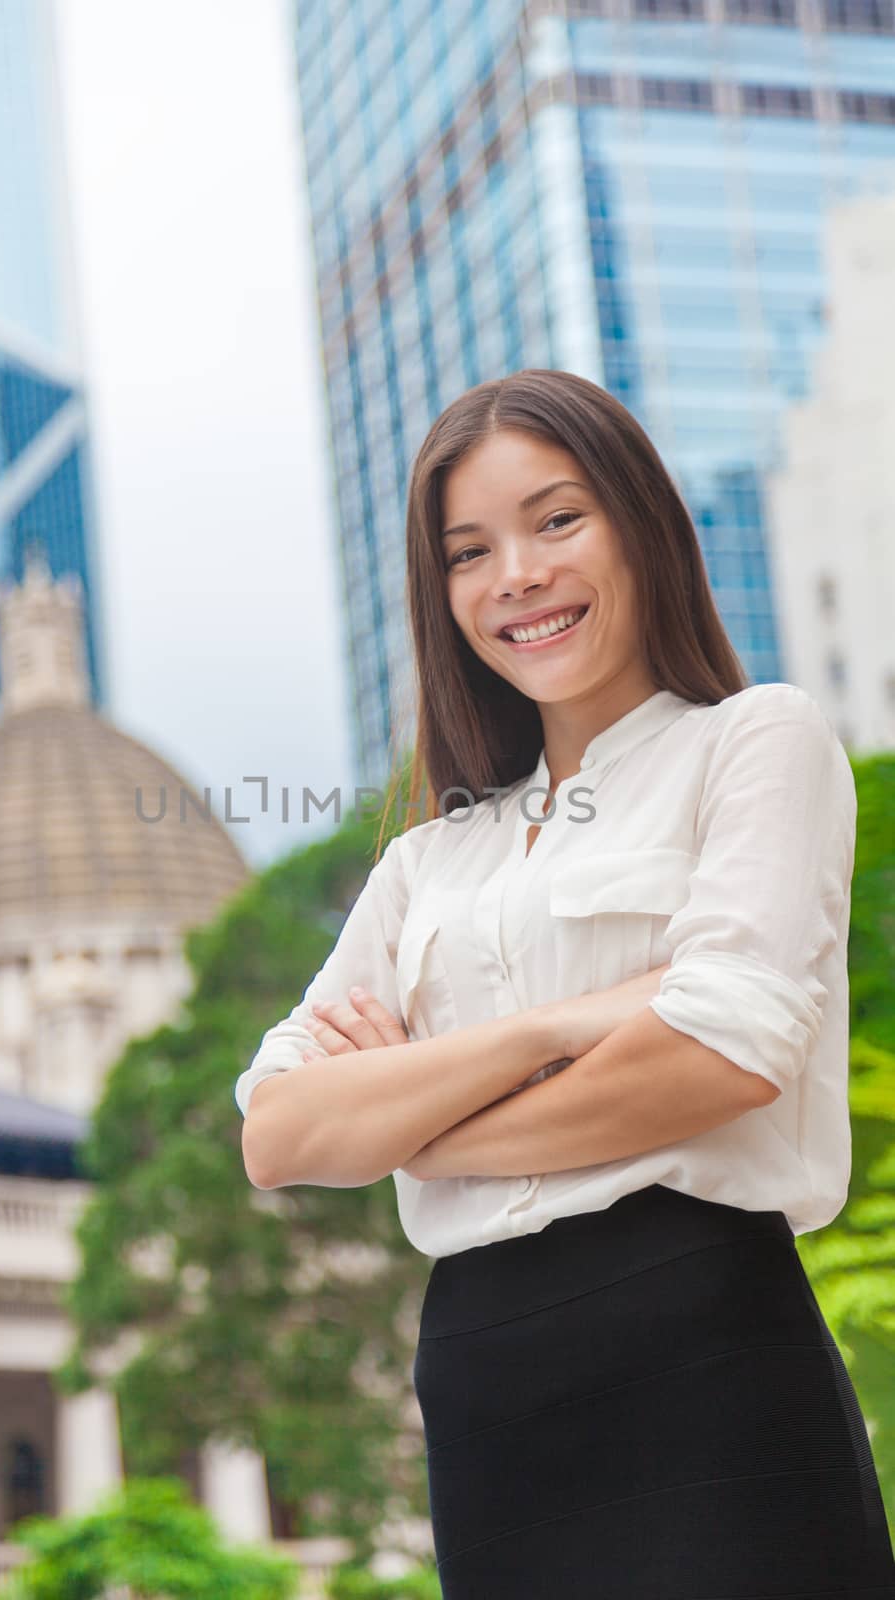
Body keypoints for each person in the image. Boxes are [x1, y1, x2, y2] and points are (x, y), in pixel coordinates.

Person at [234, 369, 895, 1596]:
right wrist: (557, 1026)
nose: (516, 577)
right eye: (468, 551)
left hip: (700, 1335)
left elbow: (719, 1055)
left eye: (555, 520)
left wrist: (416, 1122)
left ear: (640, 524)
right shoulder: (423, 859)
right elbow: (277, 1130)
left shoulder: (754, 742)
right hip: (485, 1382)